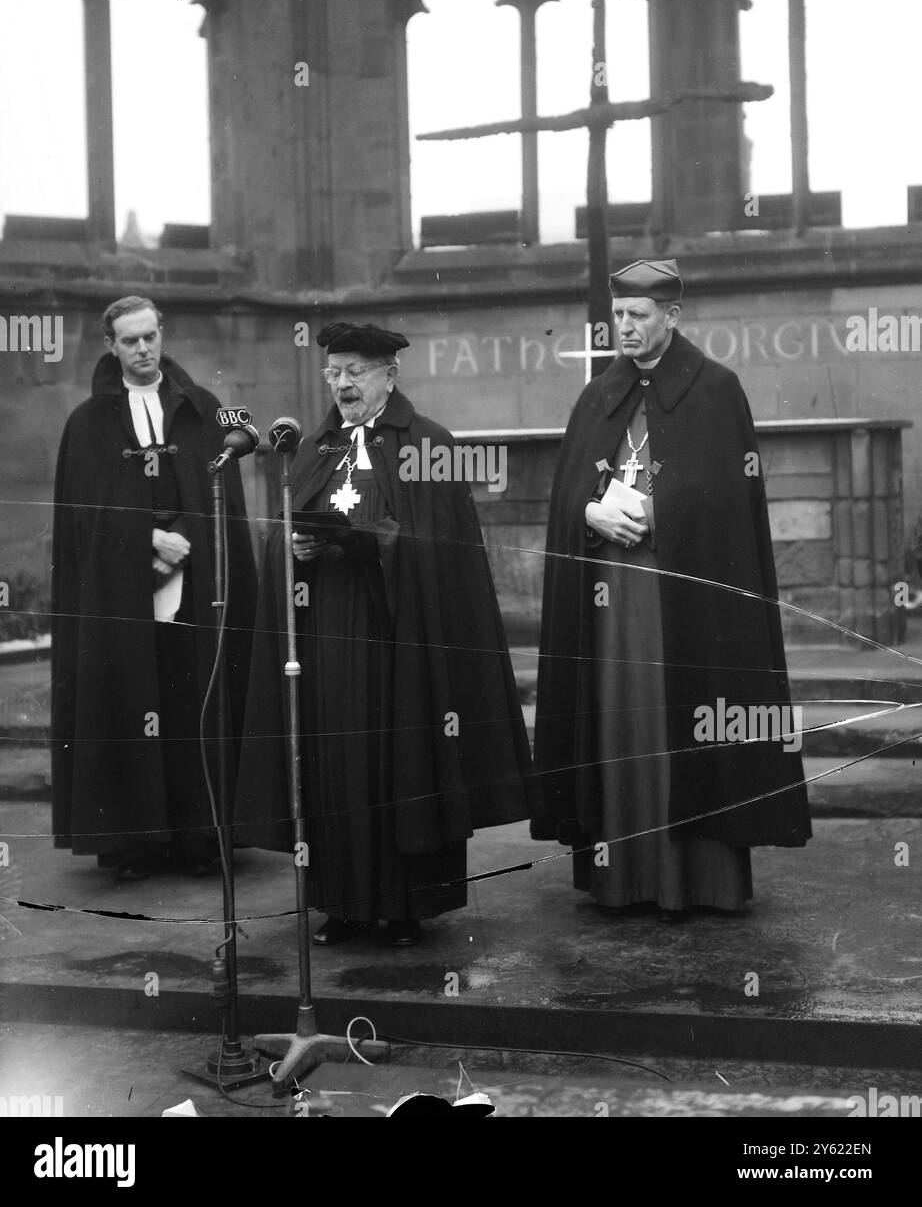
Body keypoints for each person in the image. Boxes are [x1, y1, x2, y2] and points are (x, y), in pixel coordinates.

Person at [234, 321, 534, 946]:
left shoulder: (429, 445)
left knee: (398, 764)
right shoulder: (315, 446)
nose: (342, 385)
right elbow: (277, 534)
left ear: (389, 376)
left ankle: (403, 909)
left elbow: (441, 555)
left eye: (355, 373)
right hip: (328, 643)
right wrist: (293, 544)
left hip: (401, 645)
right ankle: (342, 905)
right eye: (334, 373)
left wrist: (371, 543)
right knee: (337, 768)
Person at [532, 259, 811, 920]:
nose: (624, 329)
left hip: (684, 604)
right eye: (618, 317)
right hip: (611, 607)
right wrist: (588, 512)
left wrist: (662, 515)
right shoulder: (598, 395)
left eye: (637, 316)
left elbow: (730, 501)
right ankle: (621, 879)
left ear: (673, 316)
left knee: (686, 727)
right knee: (617, 727)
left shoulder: (716, 390)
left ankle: (700, 884)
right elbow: (569, 489)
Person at [51, 296, 256, 881]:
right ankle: (132, 841)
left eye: (150, 336)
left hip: (196, 584)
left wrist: (188, 532)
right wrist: (147, 538)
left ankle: (199, 836)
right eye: (129, 341)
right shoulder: (88, 423)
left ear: (162, 334)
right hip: (122, 594)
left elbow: (225, 500)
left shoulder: (202, 408)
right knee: (130, 695)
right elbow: (84, 519)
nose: (143, 350)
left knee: (191, 693)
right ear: (110, 346)